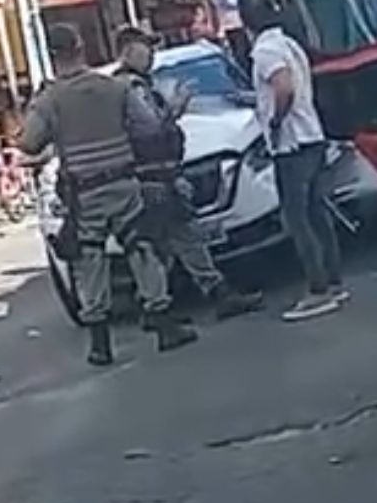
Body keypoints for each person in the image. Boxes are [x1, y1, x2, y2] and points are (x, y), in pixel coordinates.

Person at [20, 24, 195, 364]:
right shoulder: (115, 88)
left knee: (91, 263)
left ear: (51, 55)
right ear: (80, 46)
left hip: (84, 194)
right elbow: (149, 126)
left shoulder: (49, 99)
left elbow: (28, 143)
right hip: (124, 184)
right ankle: (163, 325)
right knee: (141, 250)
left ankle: (100, 344)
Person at [111, 25, 263, 321]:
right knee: (170, 243)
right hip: (153, 180)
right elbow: (152, 127)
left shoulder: (137, 86)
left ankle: (184, 301)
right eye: (146, 48)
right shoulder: (131, 88)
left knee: (176, 242)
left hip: (157, 178)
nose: (151, 55)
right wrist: (175, 108)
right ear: (128, 50)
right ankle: (165, 308)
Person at [239, 0, 348, 322]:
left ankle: (317, 290)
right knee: (317, 213)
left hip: (292, 145)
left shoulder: (265, 51)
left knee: (297, 219)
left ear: (246, 23)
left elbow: (283, 88)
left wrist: (274, 120)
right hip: (312, 137)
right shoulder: (288, 44)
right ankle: (333, 280)